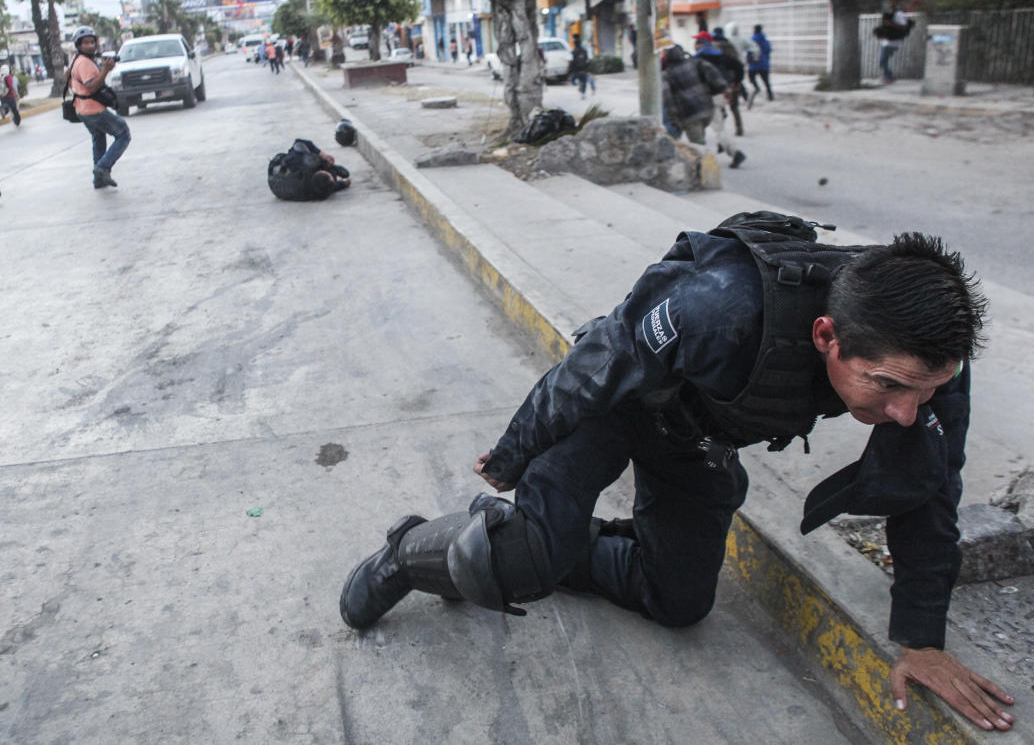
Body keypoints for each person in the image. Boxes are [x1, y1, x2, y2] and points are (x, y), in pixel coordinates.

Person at [340, 212, 1016, 734]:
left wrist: (922, 639)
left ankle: (560, 543)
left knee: (680, 601)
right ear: (824, 336)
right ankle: (408, 550)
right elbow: (593, 368)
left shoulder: (930, 365)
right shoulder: (720, 307)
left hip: (696, 437)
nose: (905, 410)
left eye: (924, 391)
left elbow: (930, 491)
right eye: (887, 386)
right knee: (520, 557)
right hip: (616, 402)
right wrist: (515, 452)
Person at [661, 45, 743, 169]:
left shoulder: (667, 75)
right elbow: (713, 74)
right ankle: (707, 165)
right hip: (707, 108)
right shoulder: (696, 63)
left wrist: (674, 119)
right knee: (710, 133)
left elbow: (668, 99)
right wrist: (723, 88)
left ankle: (704, 172)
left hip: (689, 114)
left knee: (697, 145)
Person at [69, 26, 130, 189]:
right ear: (78, 45)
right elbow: (91, 87)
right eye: (85, 43)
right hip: (92, 109)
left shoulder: (77, 60)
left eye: (92, 42)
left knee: (98, 138)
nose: (90, 46)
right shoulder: (84, 64)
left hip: (82, 109)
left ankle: (99, 180)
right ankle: (102, 168)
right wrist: (105, 71)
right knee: (123, 133)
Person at [692, 32, 747, 167]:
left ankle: (734, 152)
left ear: (703, 43)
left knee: (716, 127)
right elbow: (738, 66)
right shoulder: (720, 55)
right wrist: (735, 82)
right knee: (716, 125)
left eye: (697, 42)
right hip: (719, 94)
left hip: (707, 96)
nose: (695, 45)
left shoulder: (698, 59)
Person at [266, 139, 350, 201]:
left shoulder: (302, 163)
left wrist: (322, 155)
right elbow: (333, 186)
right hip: (278, 184)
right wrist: (343, 183)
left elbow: (298, 142)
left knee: (302, 154)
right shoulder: (321, 192)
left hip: (276, 178)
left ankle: (331, 167)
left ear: (319, 171)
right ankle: (332, 168)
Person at [877, 1, 911, 84]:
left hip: (894, 41)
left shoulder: (898, 14)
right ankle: (887, 76)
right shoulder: (888, 14)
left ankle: (888, 76)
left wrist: (891, 24)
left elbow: (904, 26)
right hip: (887, 41)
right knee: (883, 60)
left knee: (883, 60)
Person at [747, 24, 775, 106]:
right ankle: (770, 96)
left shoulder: (752, 40)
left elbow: (749, 51)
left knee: (751, 78)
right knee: (766, 82)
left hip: (754, 65)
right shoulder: (765, 40)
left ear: (754, 30)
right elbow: (769, 50)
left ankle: (757, 88)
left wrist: (748, 59)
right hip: (764, 64)